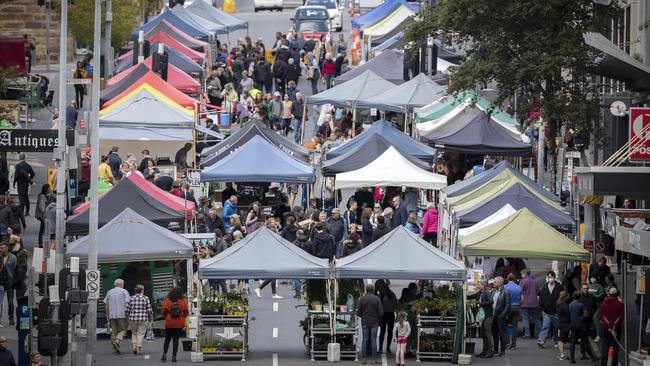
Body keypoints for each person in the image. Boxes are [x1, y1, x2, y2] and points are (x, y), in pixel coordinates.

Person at [161, 287, 189, 362]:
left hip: (169, 322)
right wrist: (183, 317)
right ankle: (174, 357)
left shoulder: (167, 301)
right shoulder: (183, 301)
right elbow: (186, 312)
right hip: (179, 323)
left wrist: (165, 317)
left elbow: (163, 311)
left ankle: (164, 355)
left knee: (167, 339)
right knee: (175, 340)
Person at [538, 271, 564, 348]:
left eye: (551, 277)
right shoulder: (544, 287)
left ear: (554, 277)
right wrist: (541, 308)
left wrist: (560, 307)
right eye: (548, 277)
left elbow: (562, 298)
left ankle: (556, 341)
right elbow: (541, 299)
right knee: (546, 325)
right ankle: (541, 340)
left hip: (556, 311)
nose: (550, 279)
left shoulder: (559, 287)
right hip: (546, 311)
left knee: (556, 327)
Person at [357, 283, 383, 364]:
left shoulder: (362, 299)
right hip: (374, 321)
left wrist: (363, 316)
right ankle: (374, 359)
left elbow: (358, 313)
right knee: (373, 340)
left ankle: (364, 359)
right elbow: (381, 312)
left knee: (365, 339)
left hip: (365, 321)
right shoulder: (377, 299)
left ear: (366, 289)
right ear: (373, 290)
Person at [104, 278, 131, 354]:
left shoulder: (109, 292)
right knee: (123, 330)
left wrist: (107, 314)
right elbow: (127, 303)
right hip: (122, 314)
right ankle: (118, 340)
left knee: (114, 331)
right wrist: (128, 313)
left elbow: (106, 304)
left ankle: (114, 349)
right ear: (121, 284)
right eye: (123, 284)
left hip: (112, 314)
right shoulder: (124, 291)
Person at [125, 284, 153, 355]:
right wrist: (151, 319)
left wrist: (127, 318)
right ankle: (138, 347)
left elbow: (127, 310)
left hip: (133, 319)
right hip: (143, 319)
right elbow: (149, 310)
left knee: (134, 333)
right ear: (142, 291)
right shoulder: (146, 298)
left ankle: (134, 346)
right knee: (140, 334)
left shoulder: (131, 298)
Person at [599, 287, 624, 366]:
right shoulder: (620, 305)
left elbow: (602, 317)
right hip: (616, 330)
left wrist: (608, 326)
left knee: (605, 347)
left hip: (606, 329)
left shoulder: (604, 304)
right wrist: (614, 326)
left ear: (609, 294)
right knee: (615, 348)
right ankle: (613, 364)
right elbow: (621, 317)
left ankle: (604, 364)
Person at [570, 291, 596, 363]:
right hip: (581, 326)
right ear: (579, 297)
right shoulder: (581, 305)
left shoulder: (570, 304)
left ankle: (572, 359)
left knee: (573, 343)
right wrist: (582, 318)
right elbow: (586, 315)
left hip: (573, 325)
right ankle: (592, 357)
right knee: (585, 342)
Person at [376, 280, 398, 355]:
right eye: (382, 289)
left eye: (384, 289)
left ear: (387, 289)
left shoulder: (392, 294)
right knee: (382, 332)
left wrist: (395, 311)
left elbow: (396, 304)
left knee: (390, 332)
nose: (383, 290)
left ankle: (388, 348)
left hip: (390, 314)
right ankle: (380, 348)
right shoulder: (380, 295)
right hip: (383, 315)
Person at [491, 276, 511, 357]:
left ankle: (502, 350)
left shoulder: (505, 291)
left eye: (495, 282)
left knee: (502, 334)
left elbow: (508, 305)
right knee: (494, 333)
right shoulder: (493, 291)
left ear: (499, 283)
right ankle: (495, 350)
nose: (493, 283)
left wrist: (502, 315)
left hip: (500, 316)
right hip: (493, 315)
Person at [519, 268, 540, 339]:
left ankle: (527, 334)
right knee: (536, 318)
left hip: (524, 302)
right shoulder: (535, 281)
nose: (521, 275)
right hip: (534, 302)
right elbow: (538, 290)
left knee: (525, 318)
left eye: (521, 274)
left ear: (525, 273)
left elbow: (520, 291)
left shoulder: (522, 281)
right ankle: (541, 333)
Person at [504, 273, 522, 349]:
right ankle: (513, 345)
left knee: (504, 324)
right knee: (515, 326)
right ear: (514, 279)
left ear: (507, 279)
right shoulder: (519, 287)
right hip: (517, 307)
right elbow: (523, 300)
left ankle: (507, 342)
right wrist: (517, 303)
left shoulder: (505, 287)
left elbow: (503, 299)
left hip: (508, 307)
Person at [0, 243, 16, 327]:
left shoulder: (13, 258)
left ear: (7, 249)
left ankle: (11, 318)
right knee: (0, 302)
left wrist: (14, 280)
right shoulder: (0, 257)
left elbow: (15, 269)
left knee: (10, 301)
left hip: (10, 282)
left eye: (2, 248)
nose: (0, 249)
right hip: (1, 282)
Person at [556, 290, 571, 360]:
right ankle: (562, 355)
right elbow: (568, 315)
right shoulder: (565, 305)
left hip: (560, 323)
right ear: (566, 297)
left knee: (560, 339)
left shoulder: (558, 304)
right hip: (565, 324)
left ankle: (560, 354)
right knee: (561, 340)